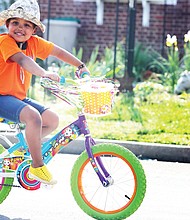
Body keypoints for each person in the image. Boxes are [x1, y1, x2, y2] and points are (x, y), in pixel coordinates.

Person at [0, 0, 90, 185]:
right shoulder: (5, 41)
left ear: (33, 30)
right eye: (15, 23)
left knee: (52, 119)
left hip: (17, 97)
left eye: (26, 25)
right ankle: (37, 166)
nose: (20, 28)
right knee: (33, 118)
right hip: (1, 97)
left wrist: (80, 66)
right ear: (7, 24)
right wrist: (44, 73)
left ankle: (23, 149)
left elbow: (58, 52)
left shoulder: (33, 43)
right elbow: (22, 60)